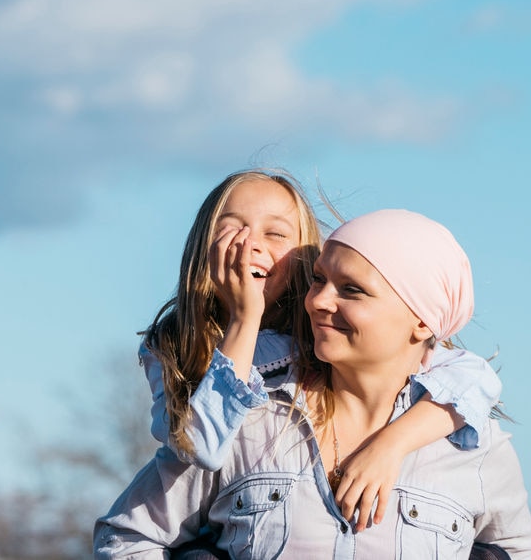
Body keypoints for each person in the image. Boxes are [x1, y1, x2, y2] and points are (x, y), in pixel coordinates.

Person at [95, 208, 531, 559]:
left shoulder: (477, 449)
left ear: (423, 320)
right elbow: (129, 535)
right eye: (318, 280)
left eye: (352, 290)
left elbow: (519, 552)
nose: (319, 301)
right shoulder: (249, 417)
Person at [140, 170, 499, 528]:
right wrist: (244, 319)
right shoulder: (173, 342)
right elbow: (201, 446)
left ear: (304, 255)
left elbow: (474, 379)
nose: (249, 244)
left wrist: (392, 444)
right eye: (231, 227)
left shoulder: (322, 334)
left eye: (275, 233)